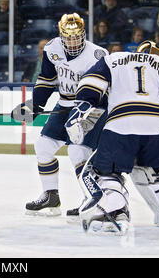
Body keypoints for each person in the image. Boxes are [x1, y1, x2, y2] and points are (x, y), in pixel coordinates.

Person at [65, 40, 159, 235]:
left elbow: (90, 83)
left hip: (121, 124)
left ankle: (114, 214)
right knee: (156, 173)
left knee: (106, 171)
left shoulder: (114, 58)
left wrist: (82, 106)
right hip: (158, 128)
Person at [12, 13, 109, 217]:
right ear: (61, 35)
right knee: (43, 146)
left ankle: (90, 198)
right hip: (64, 103)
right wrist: (35, 104)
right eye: (68, 37)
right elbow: (47, 79)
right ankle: (51, 196)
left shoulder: (98, 55)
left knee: (77, 152)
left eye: (77, 37)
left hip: (91, 108)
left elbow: (105, 91)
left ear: (83, 34)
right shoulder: (52, 48)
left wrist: (85, 110)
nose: (73, 42)